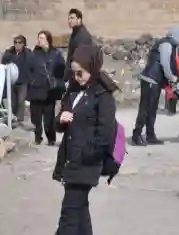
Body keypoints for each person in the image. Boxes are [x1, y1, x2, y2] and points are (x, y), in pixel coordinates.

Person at [53, 45, 118, 235]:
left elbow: (105, 133)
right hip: (70, 160)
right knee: (80, 214)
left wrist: (88, 154)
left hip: (85, 164)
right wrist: (61, 119)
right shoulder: (73, 90)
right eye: (73, 73)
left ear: (92, 67)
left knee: (68, 218)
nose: (76, 77)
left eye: (80, 73)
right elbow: (59, 123)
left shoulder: (102, 94)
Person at [132, 27, 179, 146]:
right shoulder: (166, 44)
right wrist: (172, 77)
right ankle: (137, 134)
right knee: (145, 109)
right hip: (150, 79)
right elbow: (165, 64)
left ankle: (150, 135)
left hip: (155, 81)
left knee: (152, 109)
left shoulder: (170, 45)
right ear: (176, 36)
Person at [28, 31, 66, 145]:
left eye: (42, 38)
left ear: (48, 40)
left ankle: (51, 138)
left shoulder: (56, 54)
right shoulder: (34, 54)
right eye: (39, 38)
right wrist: (31, 81)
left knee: (49, 117)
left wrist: (56, 81)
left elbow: (61, 70)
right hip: (36, 88)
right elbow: (29, 69)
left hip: (50, 90)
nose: (40, 40)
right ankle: (37, 137)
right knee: (35, 116)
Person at [1, 35, 32, 125]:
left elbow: (31, 65)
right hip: (11, 81)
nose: (17, 44)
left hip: (23, 81)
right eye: (15, 42)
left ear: (23, 44)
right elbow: (4, 65)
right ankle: (12, 118)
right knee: (12, 101)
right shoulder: (9, 54)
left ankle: (19, 119)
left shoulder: (28, 54)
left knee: (21, 100)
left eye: (19, 42)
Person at [65, 8, 93, 80]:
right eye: (68, 19)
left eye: (72, 18)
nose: (69, 21)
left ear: (79, 20)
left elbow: (81, 60)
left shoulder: (83, 36)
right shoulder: (75, 33)